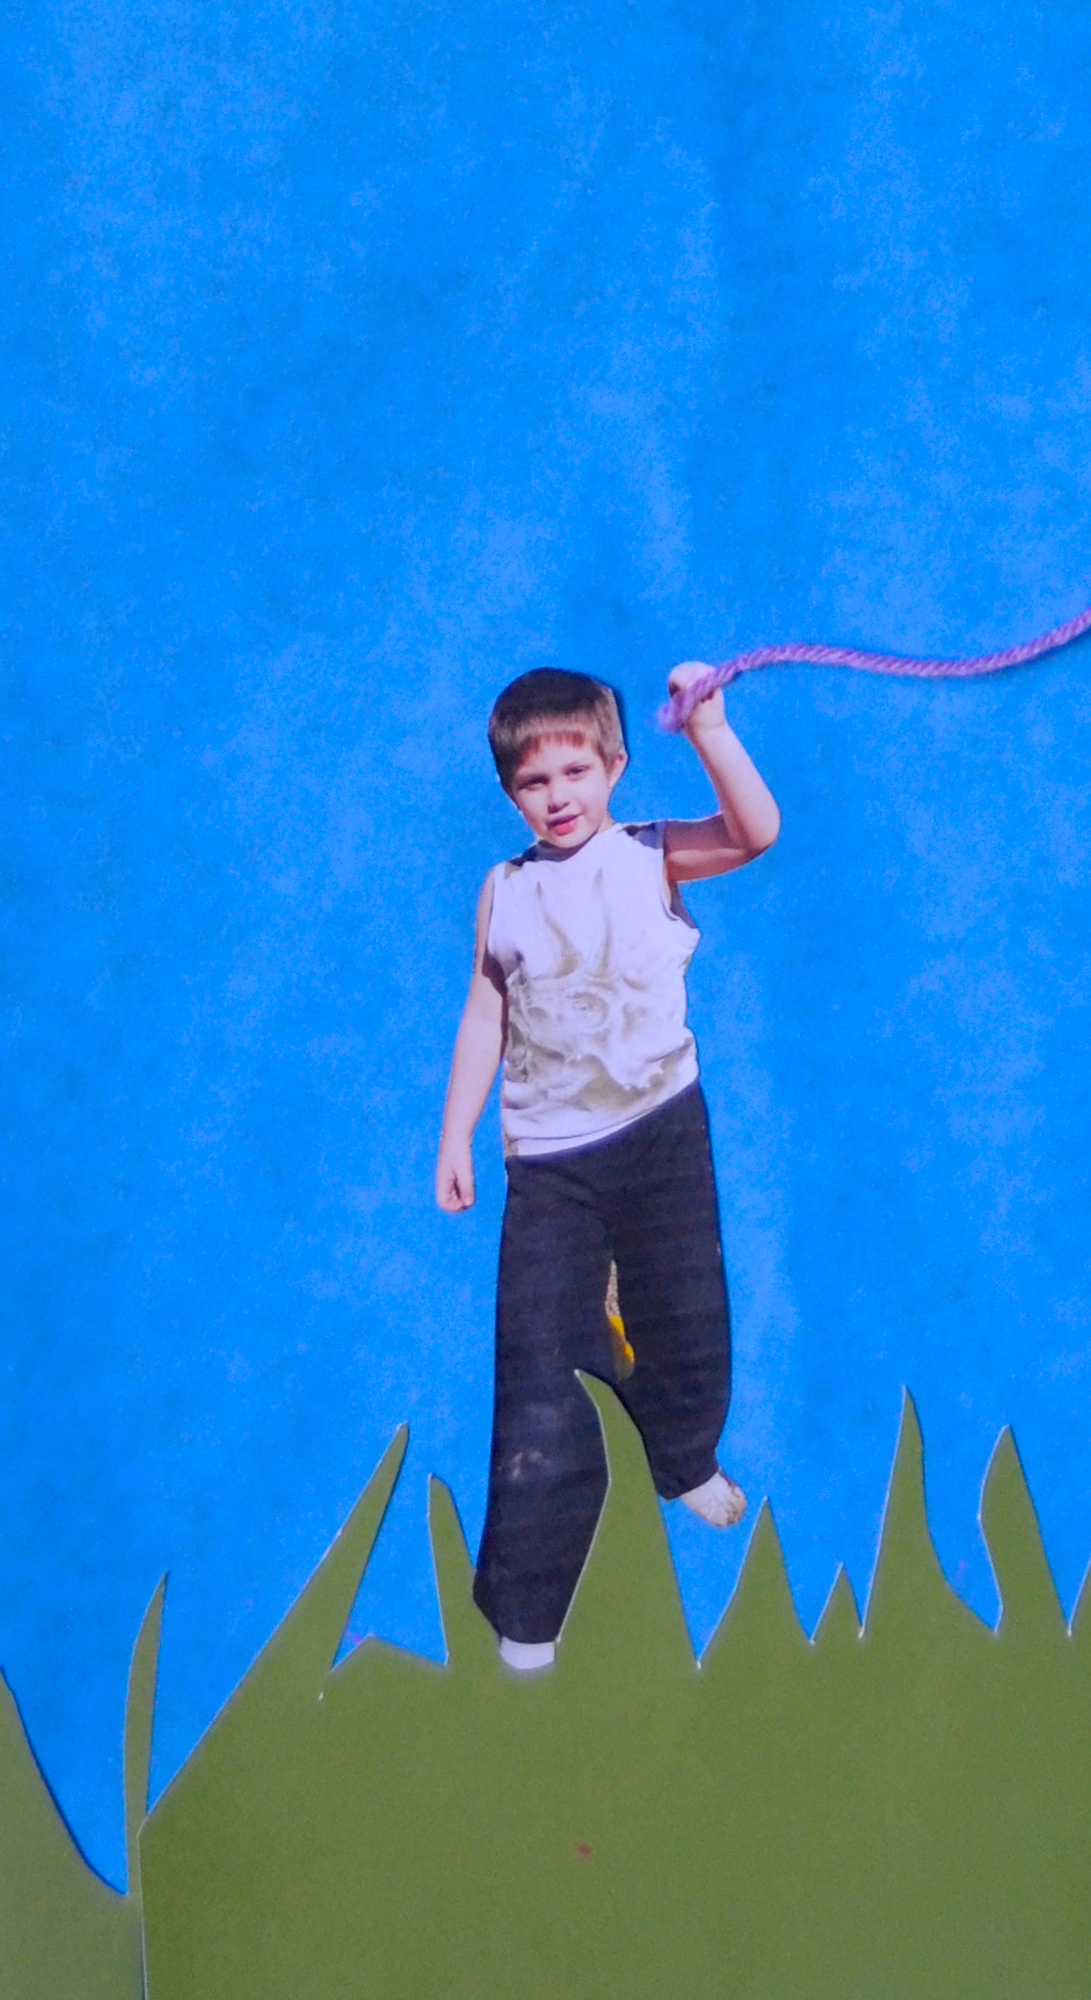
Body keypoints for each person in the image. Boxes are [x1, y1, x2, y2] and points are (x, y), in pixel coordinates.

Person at [433, 659, 780, 1671]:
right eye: (533, 782)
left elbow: (755, 832)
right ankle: (527, 1610)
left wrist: (710, 730)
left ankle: (682, 1458)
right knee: (542, 1368)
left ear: (616, 765)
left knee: (685, 1317)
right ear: (510, 793)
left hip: (661, 1131)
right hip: (551, 1164)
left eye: (576, 772)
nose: (558, 797)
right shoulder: (503, 890)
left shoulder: (651, 856)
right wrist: (455, 1134)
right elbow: (485, 1011)